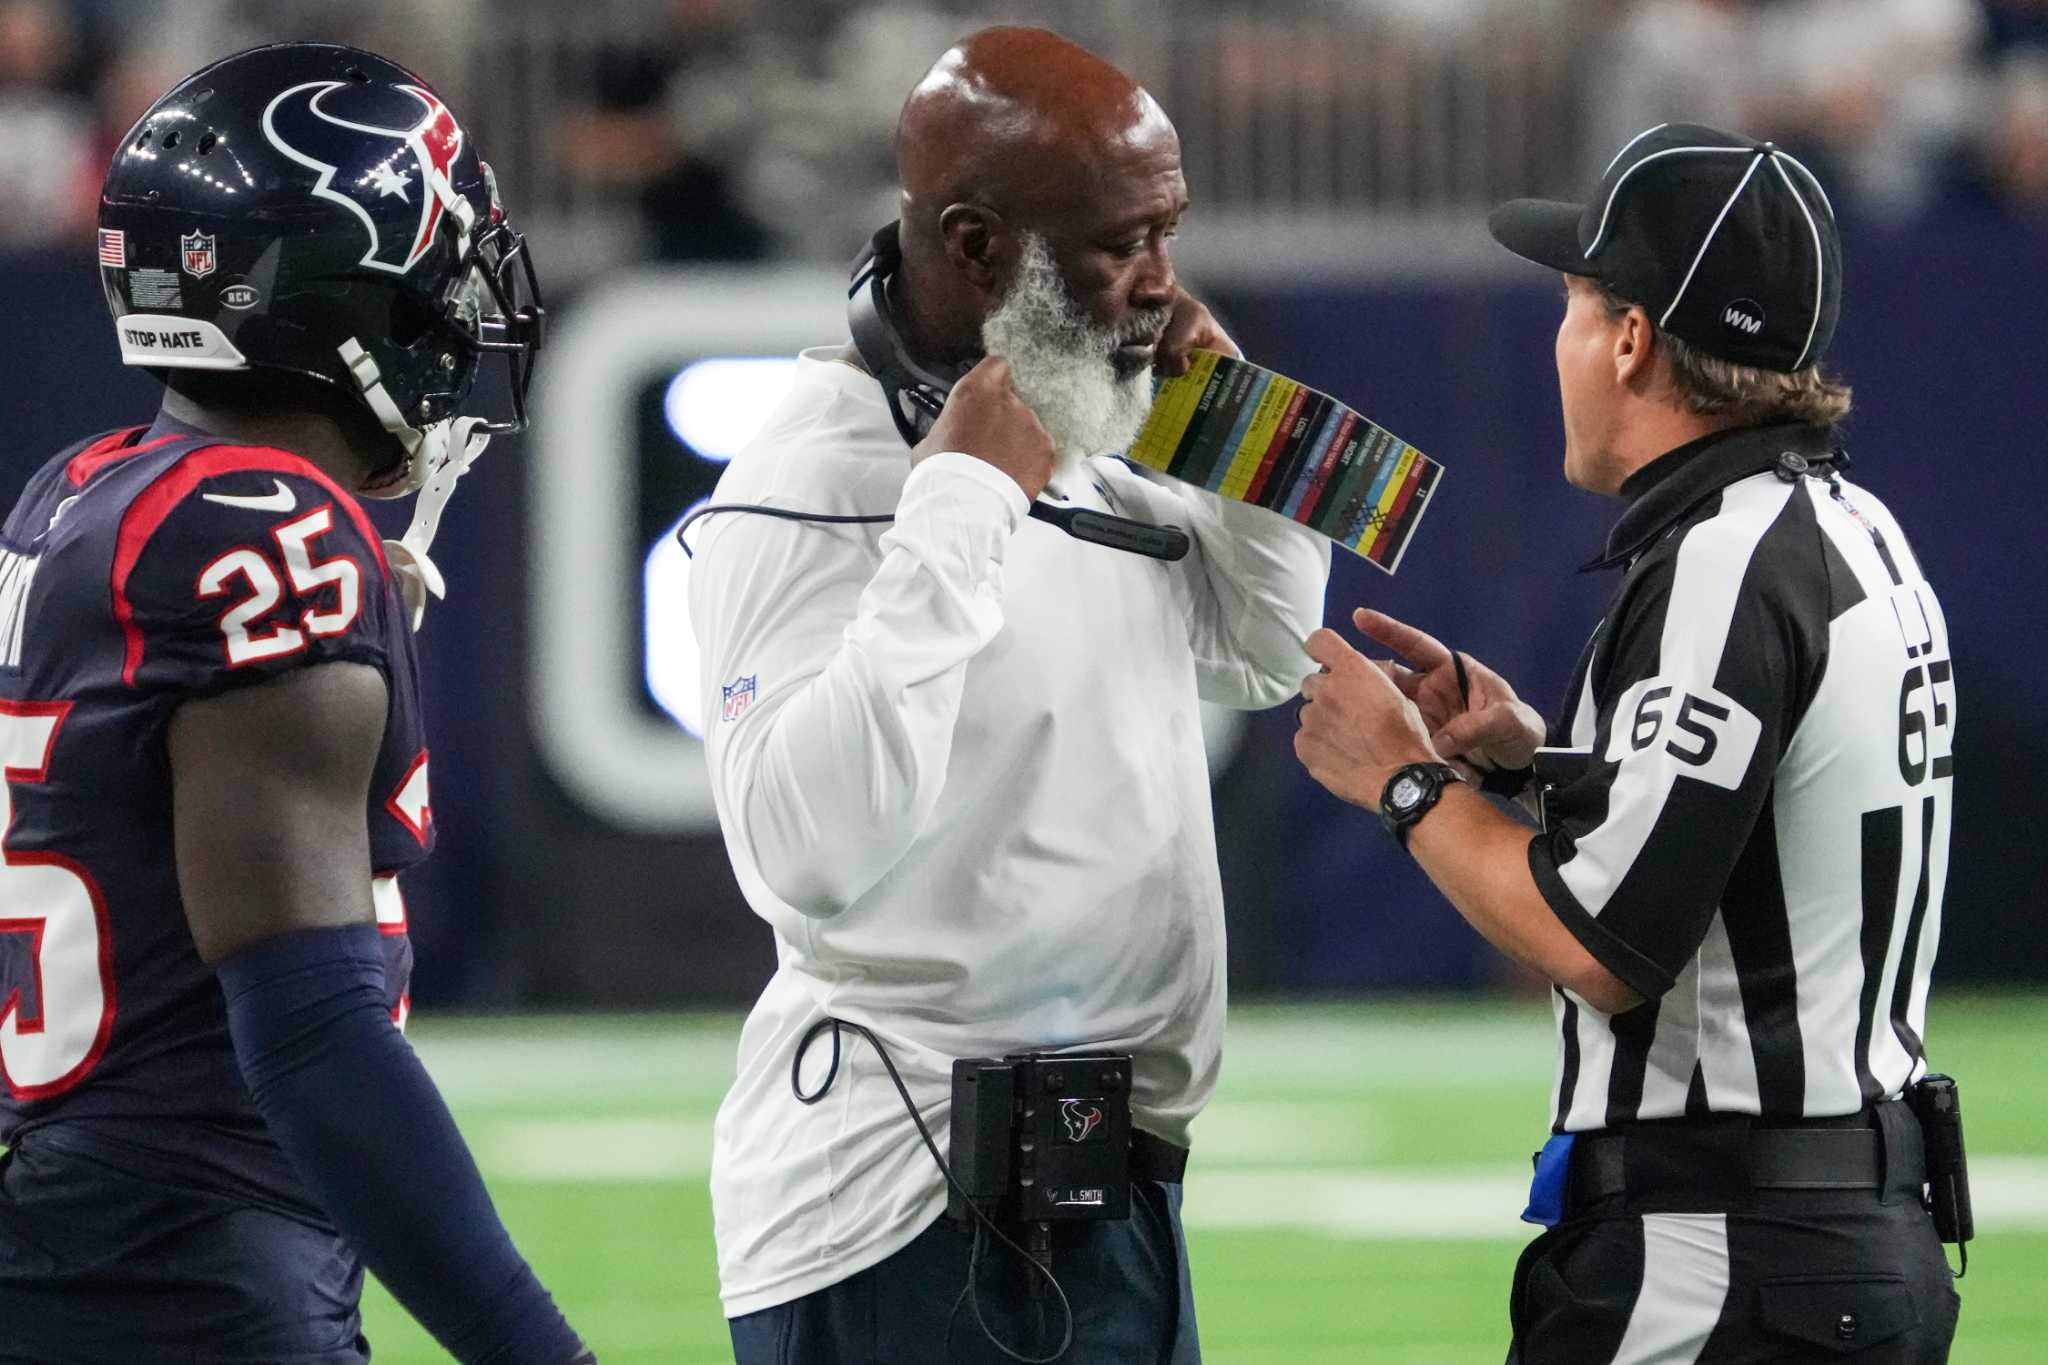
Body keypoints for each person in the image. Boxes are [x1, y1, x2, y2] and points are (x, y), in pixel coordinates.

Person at [687, 25, 1331, 1365]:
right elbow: (804, 852)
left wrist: (1236, 429)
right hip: (911, 1202)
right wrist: (964, 499)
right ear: (978, 245)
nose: (1162, 282)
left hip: (1099, 1187)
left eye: (1172, 231)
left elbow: (1260, 652)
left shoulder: (1084, 418)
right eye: (1120, 243)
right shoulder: (802, 477)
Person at [1293, 124, 1961, 1361]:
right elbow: (1759, 823)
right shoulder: (1849, 527)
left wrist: (1400, 777)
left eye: (1569, 302)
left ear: (1629, 338)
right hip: (1837, 1238)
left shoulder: (1723, 563)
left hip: (1719, 1253)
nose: (1559, 342)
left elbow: (1598, 945)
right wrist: (1523, 767)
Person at [0, 43, 590, 1364]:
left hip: (79, 1228)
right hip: (192, 1266)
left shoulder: (82, 489)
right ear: (345, 294)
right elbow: (315, 1032)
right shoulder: (268, 531)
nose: (462, 309)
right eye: (444, 268)